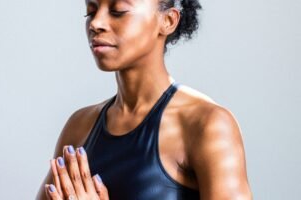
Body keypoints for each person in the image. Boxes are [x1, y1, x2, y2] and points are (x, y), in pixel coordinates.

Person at [36, 0, 252, 199]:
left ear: (168, 21)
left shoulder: (207, 124)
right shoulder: (79, 126)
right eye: (90, 12)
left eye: (118, 11)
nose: (96, 23)